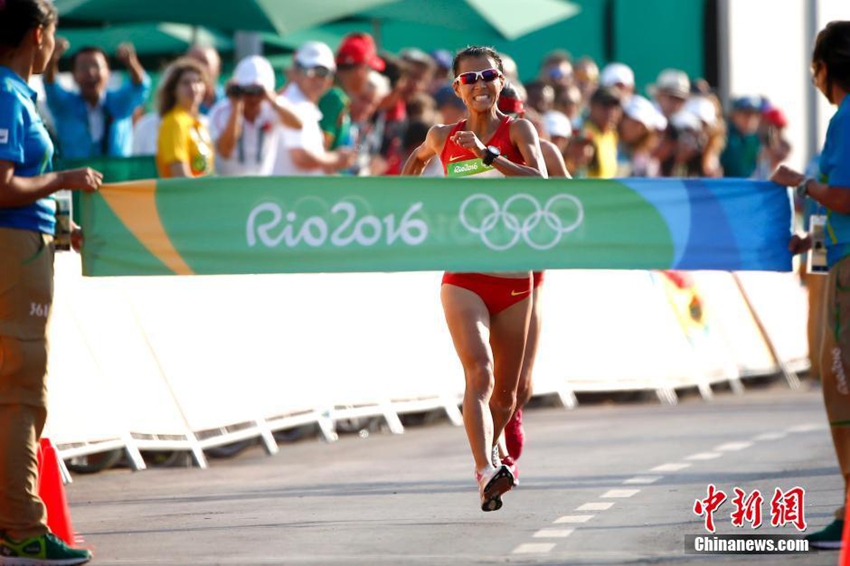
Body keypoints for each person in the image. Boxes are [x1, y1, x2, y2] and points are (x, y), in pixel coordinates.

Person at [401, 46, 547, 511]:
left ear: (502, 81)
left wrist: (489, 157)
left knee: (507, 393)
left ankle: (498, 452)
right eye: (470, 79)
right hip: (463, 274)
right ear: (457, 88)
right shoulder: (443, 134)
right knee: (478, 372)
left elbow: (541, 183)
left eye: (488, 76)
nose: (480, 84)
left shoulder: (518, 129)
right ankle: (486, 470)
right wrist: (405, 202)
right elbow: (416, 162)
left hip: (515, 276)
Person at [0, 1, 103, 563]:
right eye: (54, 39)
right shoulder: (7, 92)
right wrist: (63, 179)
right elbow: (4, 186)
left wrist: (61, 227)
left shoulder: (15, 92)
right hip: (13, 254)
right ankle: (20, 528)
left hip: (24, 246)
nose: (55, 50)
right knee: (18, 393)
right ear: (37, 35)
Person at [770, 20, 850, 550]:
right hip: (835, 253)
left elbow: (844, 196)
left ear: (823, 70)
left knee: (840, 386)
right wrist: (808, 240)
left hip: (848, 268)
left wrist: (800, 181)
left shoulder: (846, 117)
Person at [43, 40, 150, 159]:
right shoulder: (65, 107)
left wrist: (131, 62)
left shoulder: (119, 103)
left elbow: (140, 87)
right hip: (76, 175)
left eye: (97, 66)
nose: (90, 72)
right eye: (83, 67)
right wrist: (52, 59)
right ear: (73, 75)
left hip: (119, 175)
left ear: (108, 72)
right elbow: (51, 87)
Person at [208, 56, 301, 177]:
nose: (254, 98)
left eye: (259, 91)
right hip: (226, 185)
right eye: (249, 91)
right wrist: (237, 108)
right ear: (239, 88)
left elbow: (298, 124)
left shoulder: (273, 107)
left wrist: (272, 99)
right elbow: (225, 151)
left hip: (260, 186)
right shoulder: (221, 111)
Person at [273, 41, 355, 176]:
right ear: (296, 71)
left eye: (324, 72)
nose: (318, 78)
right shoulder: (292, 104)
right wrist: (337, 159)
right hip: (286, 194)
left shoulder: (300, 104)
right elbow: (301, 157)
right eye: (310, 71)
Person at [319, 33, 385, 151]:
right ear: (360, 70)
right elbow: (320, 152)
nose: (369, 75)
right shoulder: (334, 97)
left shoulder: (337, 95)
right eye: (369, 69)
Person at [156, 58, 214, 178]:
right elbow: (181, 177)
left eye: (199, 81)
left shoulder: (198, 123)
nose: (194, 88)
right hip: (185, 196)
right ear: (173, 90)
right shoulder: (174, 122)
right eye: (186, 83)